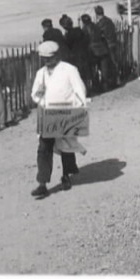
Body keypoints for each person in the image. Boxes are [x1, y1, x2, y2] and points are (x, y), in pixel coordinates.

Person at [30, 40, 87, 198]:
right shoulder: (41, 73)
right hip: (48, 114)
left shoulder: (69, 70)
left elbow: (79, 89)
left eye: (50, 58)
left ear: (57, 55)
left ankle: (66, 176)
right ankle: (42, 183)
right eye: (44, 58)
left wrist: (78, 109)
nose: (47, 61)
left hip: (66, 112)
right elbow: (35, 93)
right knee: (44, 147)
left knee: (66, 146)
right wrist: (42, 101)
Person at [94, 5, 119, 89]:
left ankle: (111, 82)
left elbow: (99, 34)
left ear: (96, 14)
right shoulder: (109, 20)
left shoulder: (100, 23)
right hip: (113, 43)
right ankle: (116, 80)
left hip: (107, 45)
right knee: (114, 62)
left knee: (107, 64)